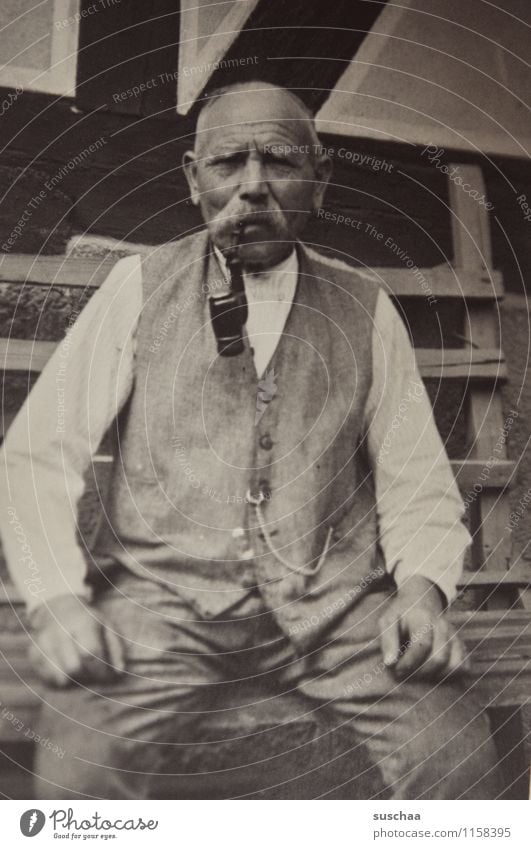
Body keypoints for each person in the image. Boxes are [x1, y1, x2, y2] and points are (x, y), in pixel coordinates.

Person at [0, 81, 501, 799]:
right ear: (192, 178)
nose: (254, 185)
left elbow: (414, 480)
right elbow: (38, 452)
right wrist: (58, 603)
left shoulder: (364, 308)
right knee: (78, 763)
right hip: (164, 607)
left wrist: (421, 593)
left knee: (454, 756)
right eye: (228, 162)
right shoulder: (138, 288)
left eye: (279, 161)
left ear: (319, 178)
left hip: (337, 612)